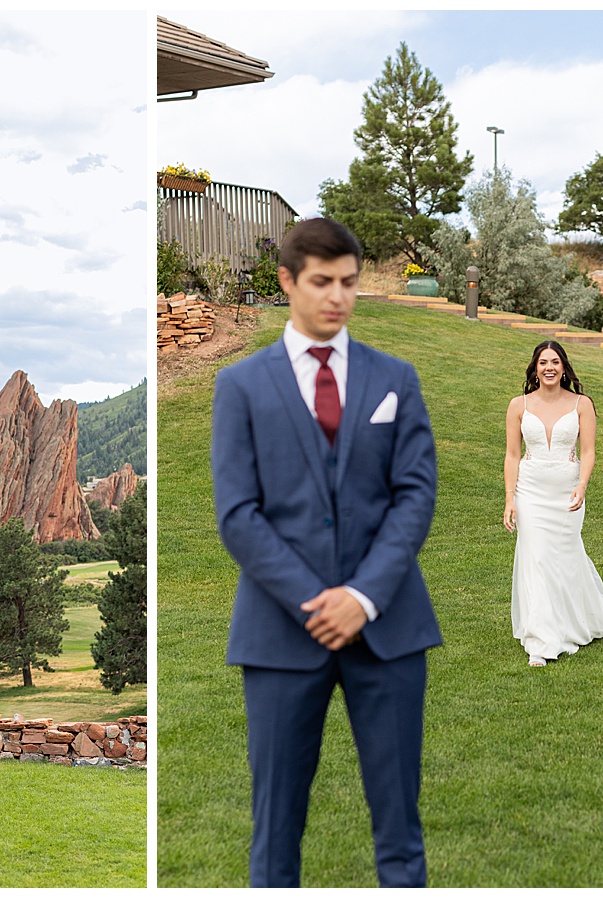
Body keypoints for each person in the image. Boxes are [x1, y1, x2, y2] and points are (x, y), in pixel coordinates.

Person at [211, 217, 441, 888]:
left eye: (348, 282)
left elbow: (415, 496)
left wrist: (362, 598)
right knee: (275, 831)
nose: (336, 297)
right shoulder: (241, 386)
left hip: (390, 628)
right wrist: (318, 603)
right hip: (282, 634)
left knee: (400, 830)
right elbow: (237, 514)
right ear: (287, 282)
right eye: (321, 282)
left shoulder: (396, 378)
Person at [504, 340, 603, 667]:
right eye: (542, 362)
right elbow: (511, 455)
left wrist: (582, 486)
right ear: (534, 368)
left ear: (564, 367)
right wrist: (510, 498)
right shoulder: (518, 405)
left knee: (564, 558)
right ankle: (541, 640)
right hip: (530, 490)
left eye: (554, 362)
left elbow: (589, 452)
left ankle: (574, 620)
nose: (549, 368)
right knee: (535, 559)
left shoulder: (582, 404)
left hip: (567, 492)